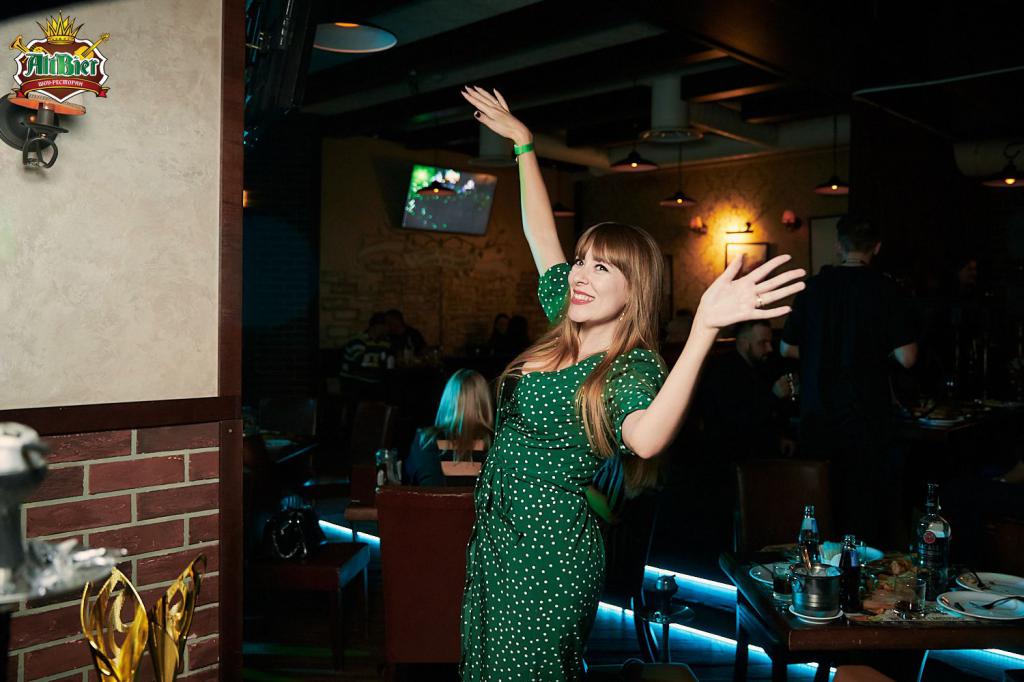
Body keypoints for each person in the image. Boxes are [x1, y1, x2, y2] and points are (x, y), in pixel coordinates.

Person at [460, 85, 804, 681]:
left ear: (634, 290)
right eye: (582, 260)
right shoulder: (566, 316)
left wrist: (704, 329)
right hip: (494, 538)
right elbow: (541, 237)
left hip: (548, 554)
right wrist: (524, 146)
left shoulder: (631, 366)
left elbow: (645, 439)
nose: (580, 275)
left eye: (601, 267)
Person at [780, 215, 918, 544]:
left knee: (820, 508)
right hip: (867, 418)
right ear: (876, 248)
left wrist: (821, 352)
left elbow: (787, 348)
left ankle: (817, 569)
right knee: (864, 513)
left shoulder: (813, 288)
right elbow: (908, 357)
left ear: (839, 246)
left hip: (818, 416)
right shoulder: (886, 289)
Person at [403, 369, 494, 486]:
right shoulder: (495, 442)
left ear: (447, 400)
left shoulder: (426, 440)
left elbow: (415, 481)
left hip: (433, 498)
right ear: (485, 402)